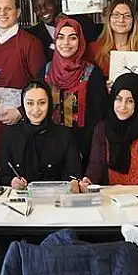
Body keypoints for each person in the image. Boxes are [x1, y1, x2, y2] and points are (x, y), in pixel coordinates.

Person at [0, 0, 45, 174]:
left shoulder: (30, 43)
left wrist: (21, 111)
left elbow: (41, 85)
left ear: (18, 12)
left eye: (8, 8)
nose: (2, 13)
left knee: (20, 172)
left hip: (21, 120)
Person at [84, 73, 138, 186]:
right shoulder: (102, 130)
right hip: (111, 194)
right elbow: (96, 166)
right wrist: (88, 180)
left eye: (130, 101)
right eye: (118, 99)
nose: (122, 106)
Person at [44, 18, 107, 168]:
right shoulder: (45, 70)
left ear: (80, 41)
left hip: (83, 148)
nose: (65, 43)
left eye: (72, 38)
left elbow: (98, 117)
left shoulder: (92, 73)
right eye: (61, 37)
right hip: (49, 147)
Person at [0, 81, 82, 190]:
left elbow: (74, 174)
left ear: (49, 103)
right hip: (21, 198)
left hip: (55, 197)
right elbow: (4, 176)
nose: (36, 109)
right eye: (30, 103)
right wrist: (12, 181)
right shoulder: (11, 135)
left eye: (42, 103)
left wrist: (74, 183)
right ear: (23, 104)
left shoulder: (65, 135)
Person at [86, 0, 138, 81]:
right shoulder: (94, 49)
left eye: (127, 16)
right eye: (116, 15)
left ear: (134, 20)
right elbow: (86, 81)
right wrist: (101, 85)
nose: (121, 20)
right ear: (109, 18)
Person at [26, 0, 98, 61]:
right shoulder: (33, 35)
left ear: (56, 2)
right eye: (37, 8)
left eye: (47, 4)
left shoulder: (83, 23)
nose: (43, 10)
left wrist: (69, 24)